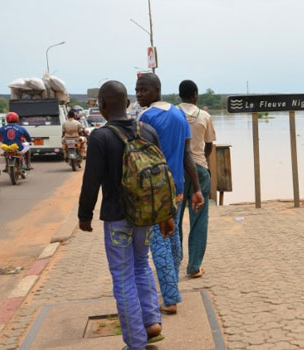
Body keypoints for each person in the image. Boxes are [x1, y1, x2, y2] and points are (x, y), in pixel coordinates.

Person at [78, 81, 172, 350]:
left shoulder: (100, 137)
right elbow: (162, 178)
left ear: (102, 104)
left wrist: (84, 216)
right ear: (128, 103)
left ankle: (135, 343)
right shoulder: (148, 130)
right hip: (146, 217)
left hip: (118, 220)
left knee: (122, 278)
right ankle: (152, 323)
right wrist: (166, 215)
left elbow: (91, 182)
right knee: (142, 267)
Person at [136, 73, 204, 314]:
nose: (138, 94)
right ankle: (172, 289)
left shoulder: (145, 117)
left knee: (160, 243)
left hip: (156, 192)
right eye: (137, 90)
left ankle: (171, 298)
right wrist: (196, 190)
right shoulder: (179, 114)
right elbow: (188, 156)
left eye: (143, 90)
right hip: (178, 188)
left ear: (156, 90)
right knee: (173, 239)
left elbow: (143, 158)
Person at [177, 80, 216, 278]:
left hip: (177, 171)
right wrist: (200, 160)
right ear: (196, 95)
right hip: (200, 169)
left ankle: (174, 262)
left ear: (179, 96)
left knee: (175, 219)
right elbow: (209, 145)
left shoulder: (173, 115)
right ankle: (194, 266)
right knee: (199, 220)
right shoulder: (205, 116)